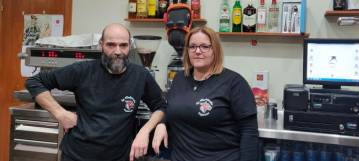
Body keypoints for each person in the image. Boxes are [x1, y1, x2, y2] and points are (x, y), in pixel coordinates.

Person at [25, 23, 166, 161]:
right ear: (101, 44)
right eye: (111, 45)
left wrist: (145, 131)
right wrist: (60, 113)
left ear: (129, 45)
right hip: (77, 155)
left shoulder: (140, 75)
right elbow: (35, 82)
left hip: (119, 156)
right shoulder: (82, 70)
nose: (117, 51)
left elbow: (160, 106)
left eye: (123, 45)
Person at [152, 26, 259, 161]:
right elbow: (171, 107)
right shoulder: (179, 79)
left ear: (215, 50)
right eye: (192, 46)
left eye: (204, 46)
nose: (197, 51)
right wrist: (162, 123)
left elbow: (249, 131)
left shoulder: (234, 83)